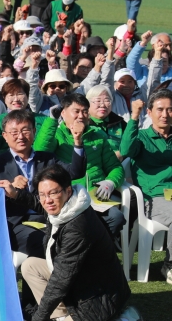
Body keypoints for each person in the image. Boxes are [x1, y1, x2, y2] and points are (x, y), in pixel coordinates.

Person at [20, 164, 152, 321]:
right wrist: (16, 194)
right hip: (82, 283)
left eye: (53, 193)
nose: (46, 200)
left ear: (67, 190)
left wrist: (40, 318)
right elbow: (41, 204)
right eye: (42, 194)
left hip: (98, 293)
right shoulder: (68, 206)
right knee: (30, 265)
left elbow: (61, 279)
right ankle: (62, 319)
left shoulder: (78, 225)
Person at [0, 109, 86, 258]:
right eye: (14, 132)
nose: (20, 136)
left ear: (34, 131)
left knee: (79, 237)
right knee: (45, 244)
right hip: (16, 223)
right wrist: (10, 187)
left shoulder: (48, 159)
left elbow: (75, 173)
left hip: (48, 217)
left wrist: (77, 141)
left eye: (25, 130)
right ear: (5, 136)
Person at [35, 92, 125, 241]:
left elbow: (115, 167)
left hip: (96, 196)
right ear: (63, 113)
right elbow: (40, 151)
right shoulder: (57, 135)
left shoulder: (97, 135)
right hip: (69, 197)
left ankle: (96, 253)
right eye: (76, 111)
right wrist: (52, 120)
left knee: (116, 217)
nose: (81, 116)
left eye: (84, 111)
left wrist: (110, 182)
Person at [120, 89, 172, 283]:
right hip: (153, 197)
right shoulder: (141, 137)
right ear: (149, 113)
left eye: (170, 109)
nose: (165, 114)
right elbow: (125, 149)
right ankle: (170, 265)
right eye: (160, 110)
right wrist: (134, 117)